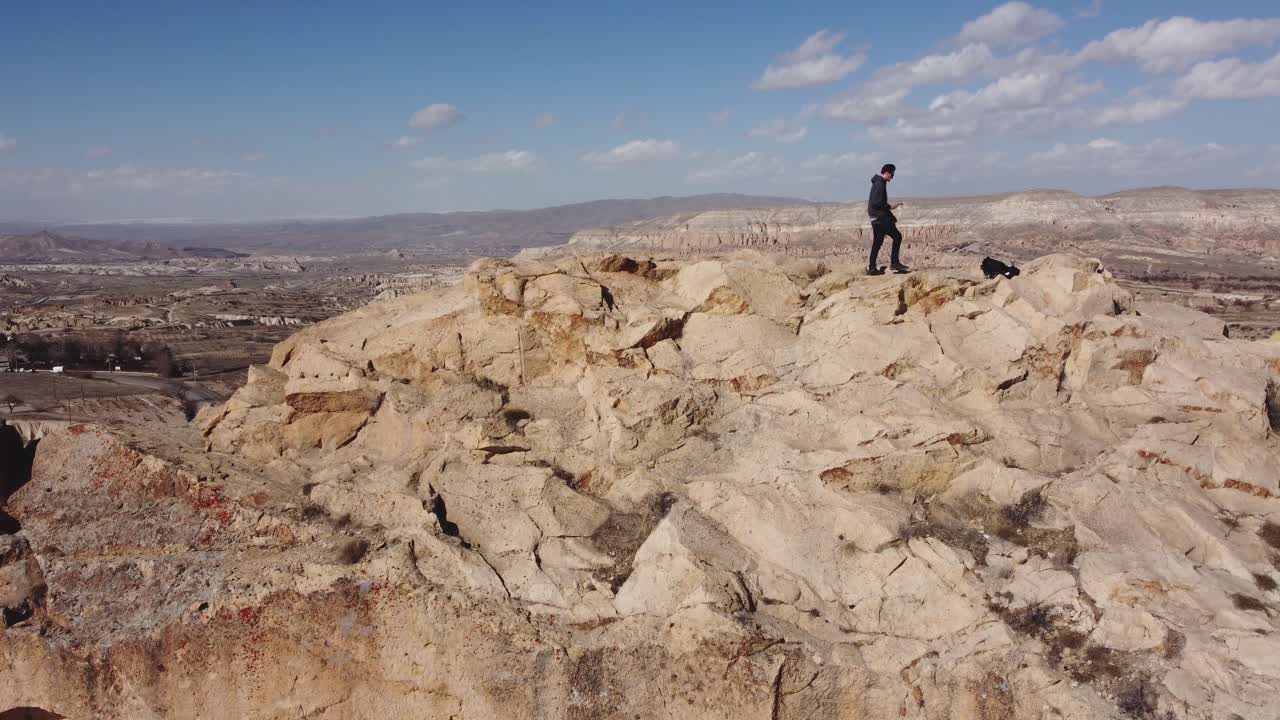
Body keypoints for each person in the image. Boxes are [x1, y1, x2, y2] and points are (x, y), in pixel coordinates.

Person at [867, 163, 908, 275]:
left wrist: (890, 215)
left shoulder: (877, 183)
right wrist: (890, 208)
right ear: (887, 173)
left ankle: (872, 268)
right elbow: (877, 202)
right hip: (880, 218)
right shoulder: (880, 183)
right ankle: (894, 263)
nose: (892, 177)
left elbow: (877, 203)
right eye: (892, 175)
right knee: (897, 236)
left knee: (877, 242)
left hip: (876, 218)